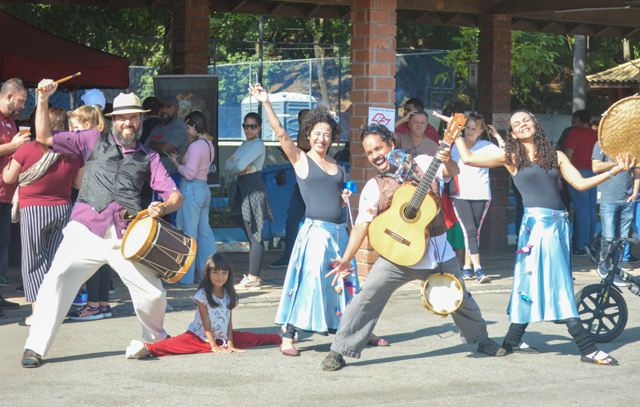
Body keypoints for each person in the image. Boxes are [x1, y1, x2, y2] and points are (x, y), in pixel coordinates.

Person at [20, 80, 183, 368]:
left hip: (127, 235)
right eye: (122, 117)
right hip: (84, 229)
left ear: (141, 119)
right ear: (113, 120)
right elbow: (44, 137)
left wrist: (164, 205)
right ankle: (35, 347)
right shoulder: (91, 140)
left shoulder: (149, 157)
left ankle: (155, 339)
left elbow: (175, 195)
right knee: (56, 281)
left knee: (154, 294)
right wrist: (42, 100)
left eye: (133, 117)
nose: (128, 123)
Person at [452, 109, 633, 365]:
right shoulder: (511, 155)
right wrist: (456, 131)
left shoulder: (555, 156)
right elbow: (468, 159)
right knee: (555, 283)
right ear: (512, 133)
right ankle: (586, 346)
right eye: (517, 123)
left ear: (535, 123)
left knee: (530, 283)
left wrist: (615, 169)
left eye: (526, 120)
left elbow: (580, 183)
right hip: (535, 227)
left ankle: (512, 339)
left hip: (559, 226)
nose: (523, 124)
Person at [321, 124, 504, 371]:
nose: (376, 155)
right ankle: (339, 349)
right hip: (397, 254)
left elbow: (453, 170)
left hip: (437, 250)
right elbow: (361, 225)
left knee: (460, 296)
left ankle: (481, 339)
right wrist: (346, 259)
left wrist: (446, 158)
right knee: (367, 297)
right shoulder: (375, 185)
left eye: (379, 148)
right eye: (369, 152)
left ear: (391, 145)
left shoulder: (424, 162)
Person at [251, 84, 384, 357]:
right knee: (308, 282)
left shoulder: (337, 165)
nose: (322, 138)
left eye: (327, 134)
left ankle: (360, 331)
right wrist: (265, 103)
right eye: (317, 133)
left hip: (339, 233)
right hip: (315, 233)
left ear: (332, 137)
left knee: (348, 284)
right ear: (308, 135)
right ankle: (288, 336)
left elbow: (337, 197)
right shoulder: (300, 159)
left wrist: (345, 195)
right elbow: (280, 133)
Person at [2, 107, 81, 326]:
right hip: (63, 209)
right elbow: (79, 184)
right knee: (56, 261)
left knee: (34, 261)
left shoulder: (28, 149)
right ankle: (57, 309)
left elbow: (8, 178)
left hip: (33, 209)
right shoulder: (72, 153)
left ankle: (38, 313)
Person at [124, 253, 281, 358]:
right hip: (199, 336)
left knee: (252, 338)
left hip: (223, 338)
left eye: (224, 273)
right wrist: (213, 346)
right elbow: (206, 324)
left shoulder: (228, 295)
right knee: (176, 345)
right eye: (215, 272)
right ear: (208, 274)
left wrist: (231, 343)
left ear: (229, 274)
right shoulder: (202, 296)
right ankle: (145, 349)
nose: (220, 277)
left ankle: (282, 337)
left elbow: (229, 322)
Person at [65, 105, 115, 322]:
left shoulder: (89, 144)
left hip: (93, 204)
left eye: (76, 128)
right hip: (109, 203)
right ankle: (103, 303)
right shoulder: (106, 139)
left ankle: (93, 305)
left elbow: (80, 180)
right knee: (104, 257)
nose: (74, 133)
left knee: (91, 256)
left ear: (86, 125)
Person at [166, 111, 216, 285]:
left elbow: (189, 173)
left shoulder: (195, 146)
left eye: (188, 126)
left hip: (192, 190)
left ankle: (186, 278)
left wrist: (176, 164)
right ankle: (210, 275)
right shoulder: (208, 144)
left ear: (195, 126)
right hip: (204, 189)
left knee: (188, 235)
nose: (186, 130)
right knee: (205, 234)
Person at [450, 113, 500, 284]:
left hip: (481, 194)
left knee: (473, 232)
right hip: (460, 194)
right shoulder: (456, 144)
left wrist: (498, 136)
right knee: (469, 230)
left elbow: (507, 155)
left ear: (481, 131)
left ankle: (466, 267)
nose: (470, 132)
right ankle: (479, 269)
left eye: (474, 129)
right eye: (467, 128)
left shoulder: (486, 146)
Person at [226, 112, 272, 291]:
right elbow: (229, 167)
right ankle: (252, 276)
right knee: (246, 228)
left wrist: (238, 165)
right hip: (242, 187)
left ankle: (254, 277)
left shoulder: (258, 144)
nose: (249, 129)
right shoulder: (245, 144)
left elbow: (235, 165)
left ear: (259, 128)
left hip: (253, 187)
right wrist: (238, 165)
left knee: (255, 234)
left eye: (253, 126)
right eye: (246, 126)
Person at [591, 140, 639, 282]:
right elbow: (596, 167)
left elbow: (637, 170)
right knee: (609, 237)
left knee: (622, 238)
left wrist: (635, 193)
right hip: (608, 197)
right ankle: (603, 265)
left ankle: (614, 269)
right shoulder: (602, 143)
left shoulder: (632, 145)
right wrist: (617, 165)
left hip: (627, 198)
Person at [268, 109, 310, 269]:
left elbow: (305, 151)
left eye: (304, 119)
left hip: (312, 187)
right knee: (292, 220)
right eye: (300, 120)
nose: (301, 122)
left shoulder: (311, 134)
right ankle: (289, 255)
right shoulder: (302, 133)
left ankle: (296, 256)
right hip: (300, 185)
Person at [0, 78, 30, 286]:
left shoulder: (10, 120)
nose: (23, 106)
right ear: (9, 97)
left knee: (4, 241)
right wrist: (13, 146)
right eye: (20, 101)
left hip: (7, 192)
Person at [145, 98, 189, 225]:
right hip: (157, 180)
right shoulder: (157, 127)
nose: (164, 110)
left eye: (168, 106)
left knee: (174, 222)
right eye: (162, 106)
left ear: (176, 109)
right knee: (158, 220)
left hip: (174, 178)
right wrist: (158, 146)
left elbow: (167, 148)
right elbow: (145, 148)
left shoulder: (179, 126)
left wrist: (154, 144)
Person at [562, 109, 598, 256]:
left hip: (577, 172)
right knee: (590, 210)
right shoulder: (596, 135)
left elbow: (568, 154)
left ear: (578, 120)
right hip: (593, 173)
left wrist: (563, 172)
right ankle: (589, 243)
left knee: (581, 210)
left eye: (573, 120)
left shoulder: (575, 133)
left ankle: (582, 245)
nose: (572, 123)